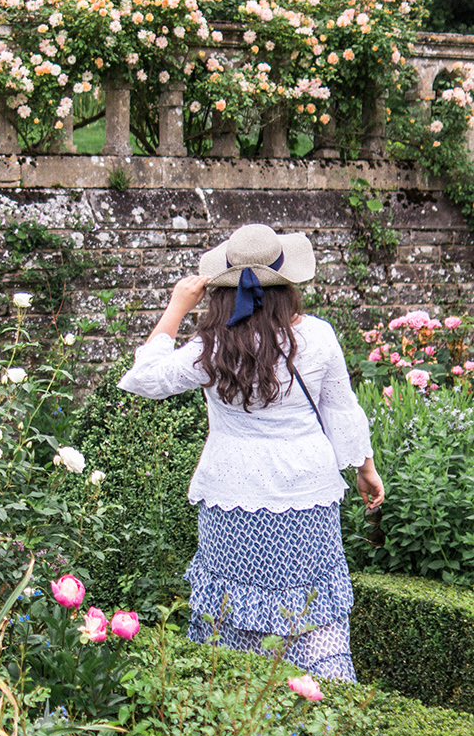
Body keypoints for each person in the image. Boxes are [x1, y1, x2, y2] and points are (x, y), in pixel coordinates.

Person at [118, 223, 383, 683]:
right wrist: (366, 469)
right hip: (307, 496)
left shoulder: (213, 345)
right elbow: (342, 412)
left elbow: (144, 378)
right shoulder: (317, 337)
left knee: (231, 613)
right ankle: (321, 704)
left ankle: (236, 713)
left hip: (231, 495)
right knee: (310, 610)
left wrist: (177, 306)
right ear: (288, 285)